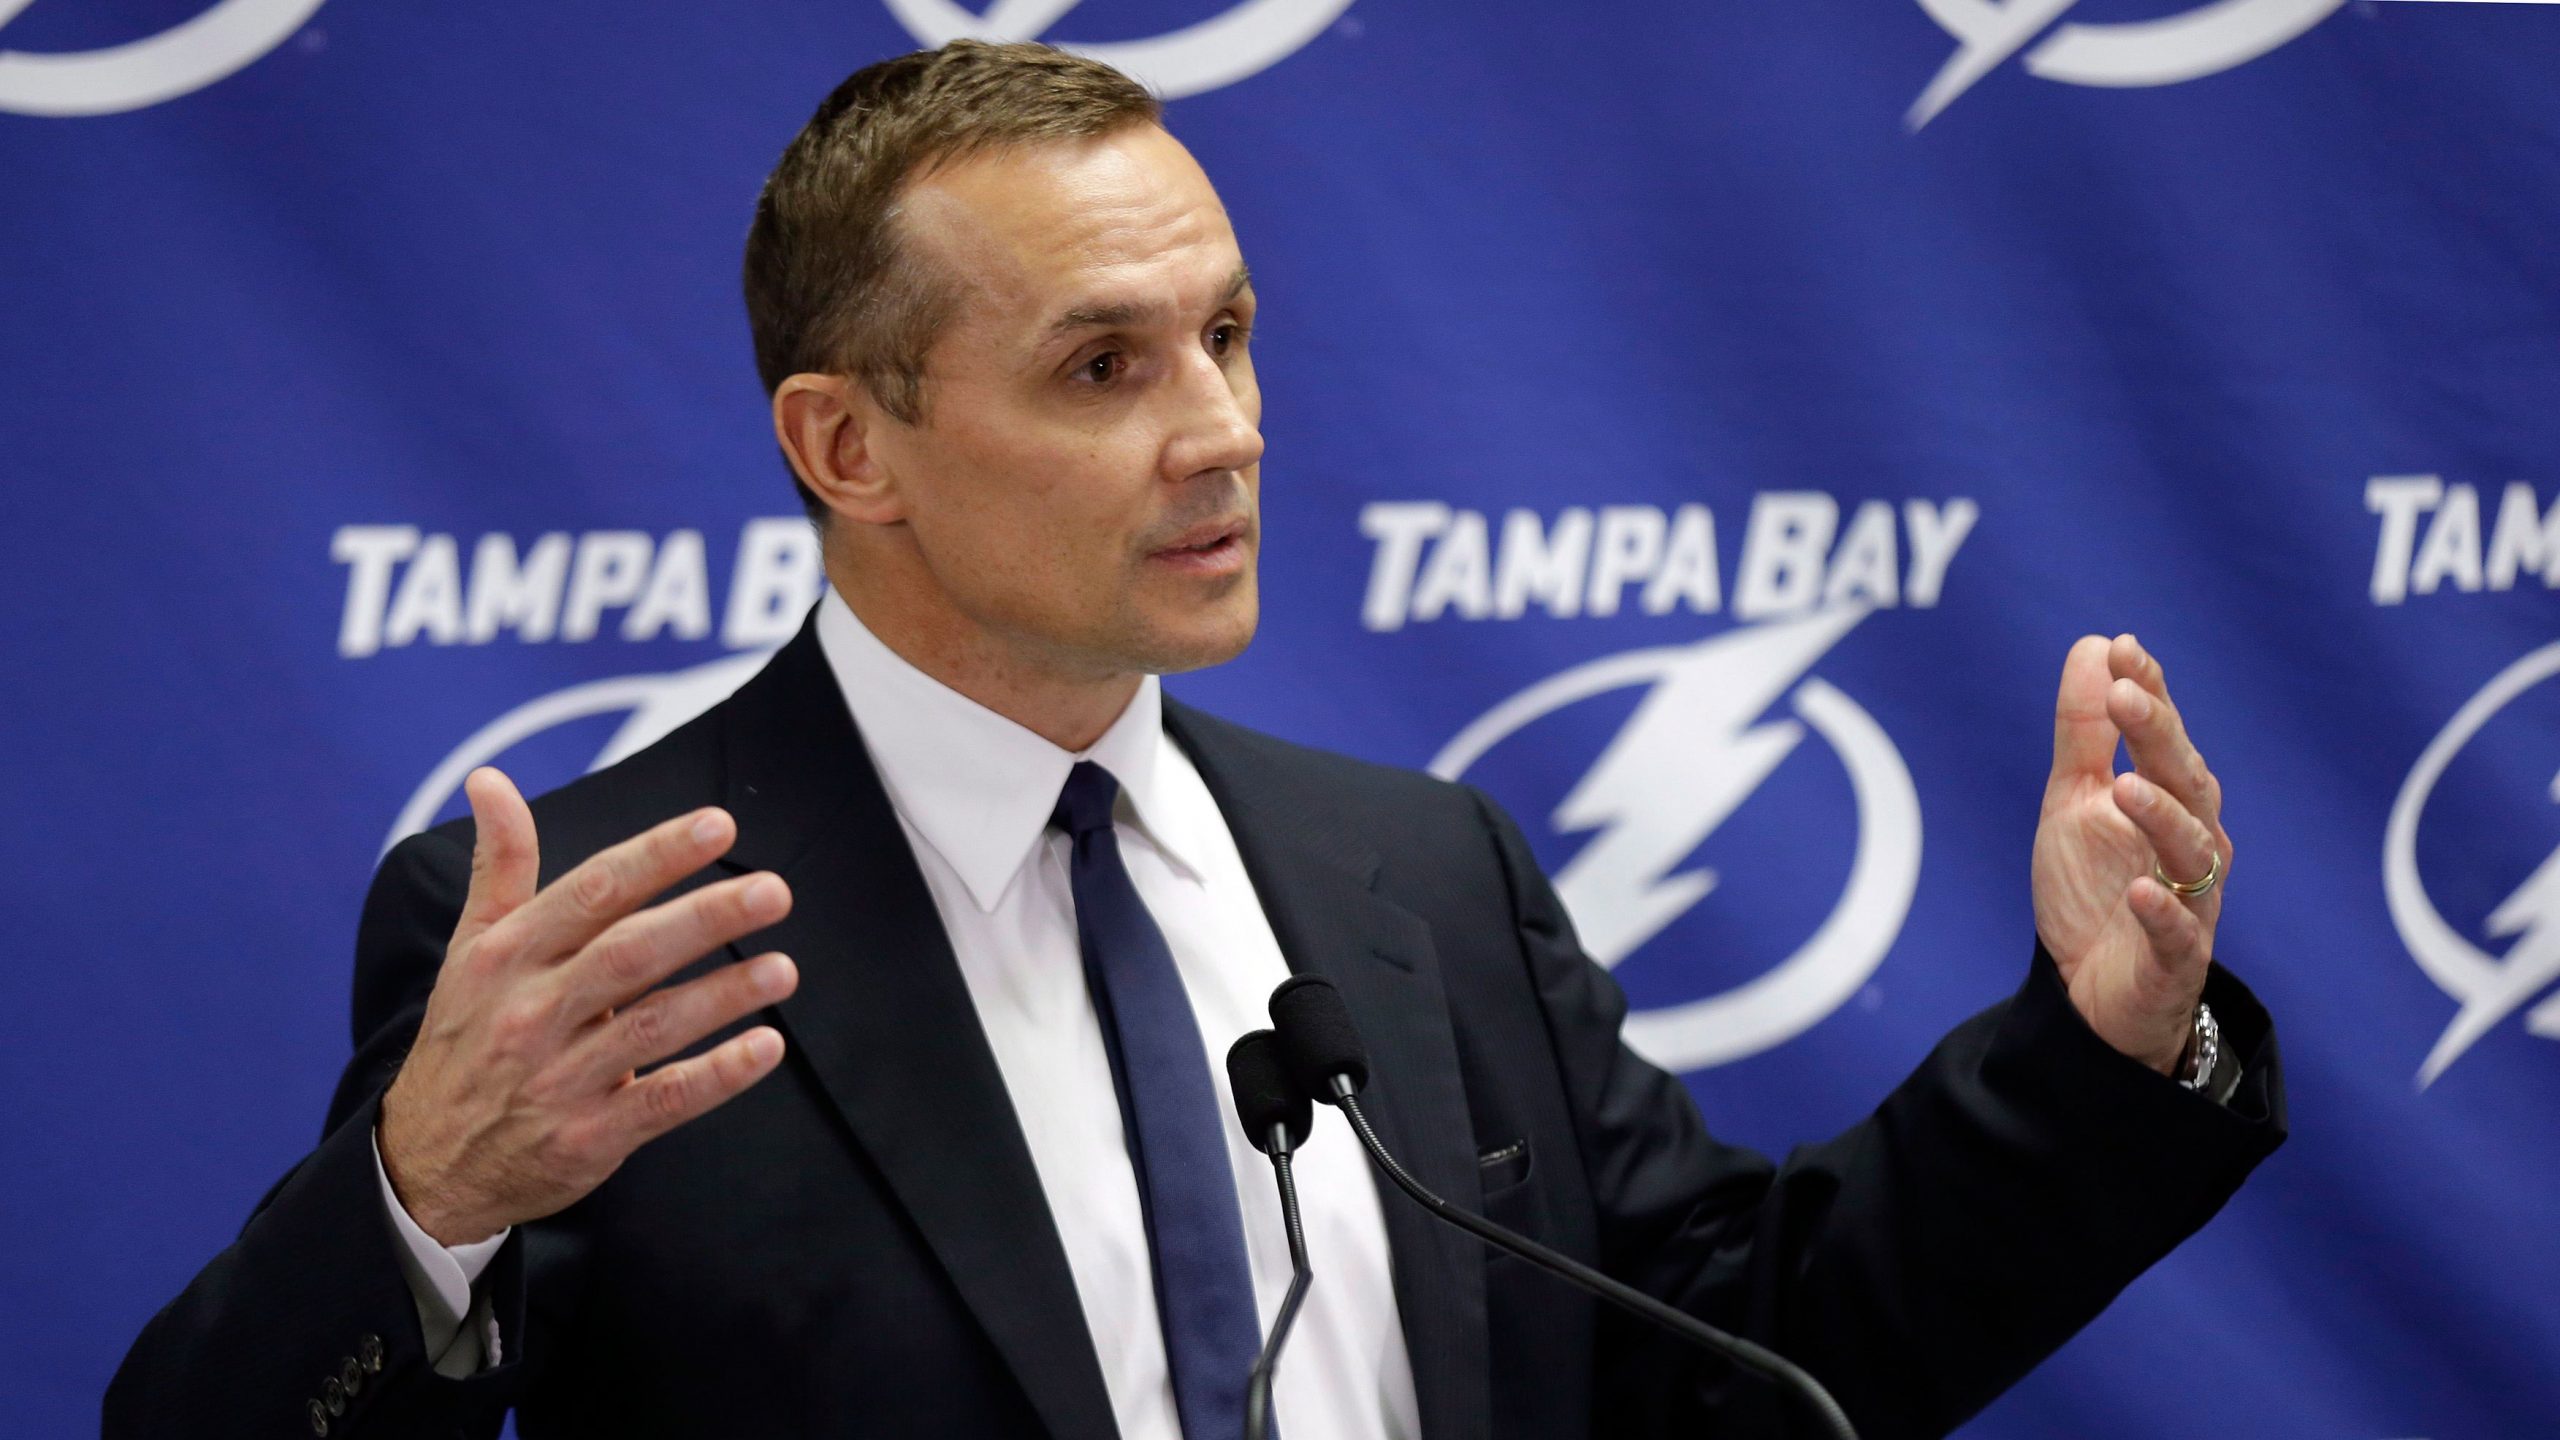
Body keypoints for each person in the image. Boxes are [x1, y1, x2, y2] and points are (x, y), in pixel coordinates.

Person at [106, 40, 2284, 1440]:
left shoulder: (1418, 876)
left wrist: (2101, 1051)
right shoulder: (610, 928)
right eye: (1103, 367)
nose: (1223, 427)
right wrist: (426, 1207)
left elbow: (1737, 1357)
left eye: (1228, 334)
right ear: (847, 445)